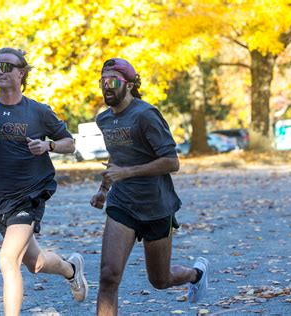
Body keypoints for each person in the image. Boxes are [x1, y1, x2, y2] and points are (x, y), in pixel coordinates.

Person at [0, 47, 88, 315]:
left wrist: (47, 146)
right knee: (34, 263)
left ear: (22, 73)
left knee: (7, 259)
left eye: (6, 67)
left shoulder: (38, 111)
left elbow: (69, 143)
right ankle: (71, 269)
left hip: (30, 194)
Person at [90, 58, 209, 315]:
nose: (106, 87)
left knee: (160, 280)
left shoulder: (146, 115)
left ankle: (196, 274)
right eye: (102, 81)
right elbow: (117, 156)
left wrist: (127, 172)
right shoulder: (104, 120)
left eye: (112, 81)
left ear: (130, 85)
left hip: (156, 206)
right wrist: (103, 190)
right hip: (122, 205)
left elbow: (171, 162)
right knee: (108, 277)